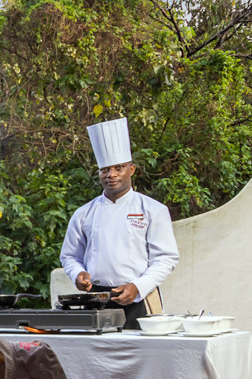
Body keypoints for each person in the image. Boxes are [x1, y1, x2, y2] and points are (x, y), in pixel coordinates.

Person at [59, 117, 179, 329]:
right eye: (104, 169)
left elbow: (165, 258)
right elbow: (70, 256)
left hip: (139, 298)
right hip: (95, 299)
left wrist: (138, 286)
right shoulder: (83, 213)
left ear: (131, 170)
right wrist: (77, 274)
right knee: (95, 349)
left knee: (141, 349)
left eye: (119, 168)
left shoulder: (153, 210)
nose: (111, 175)